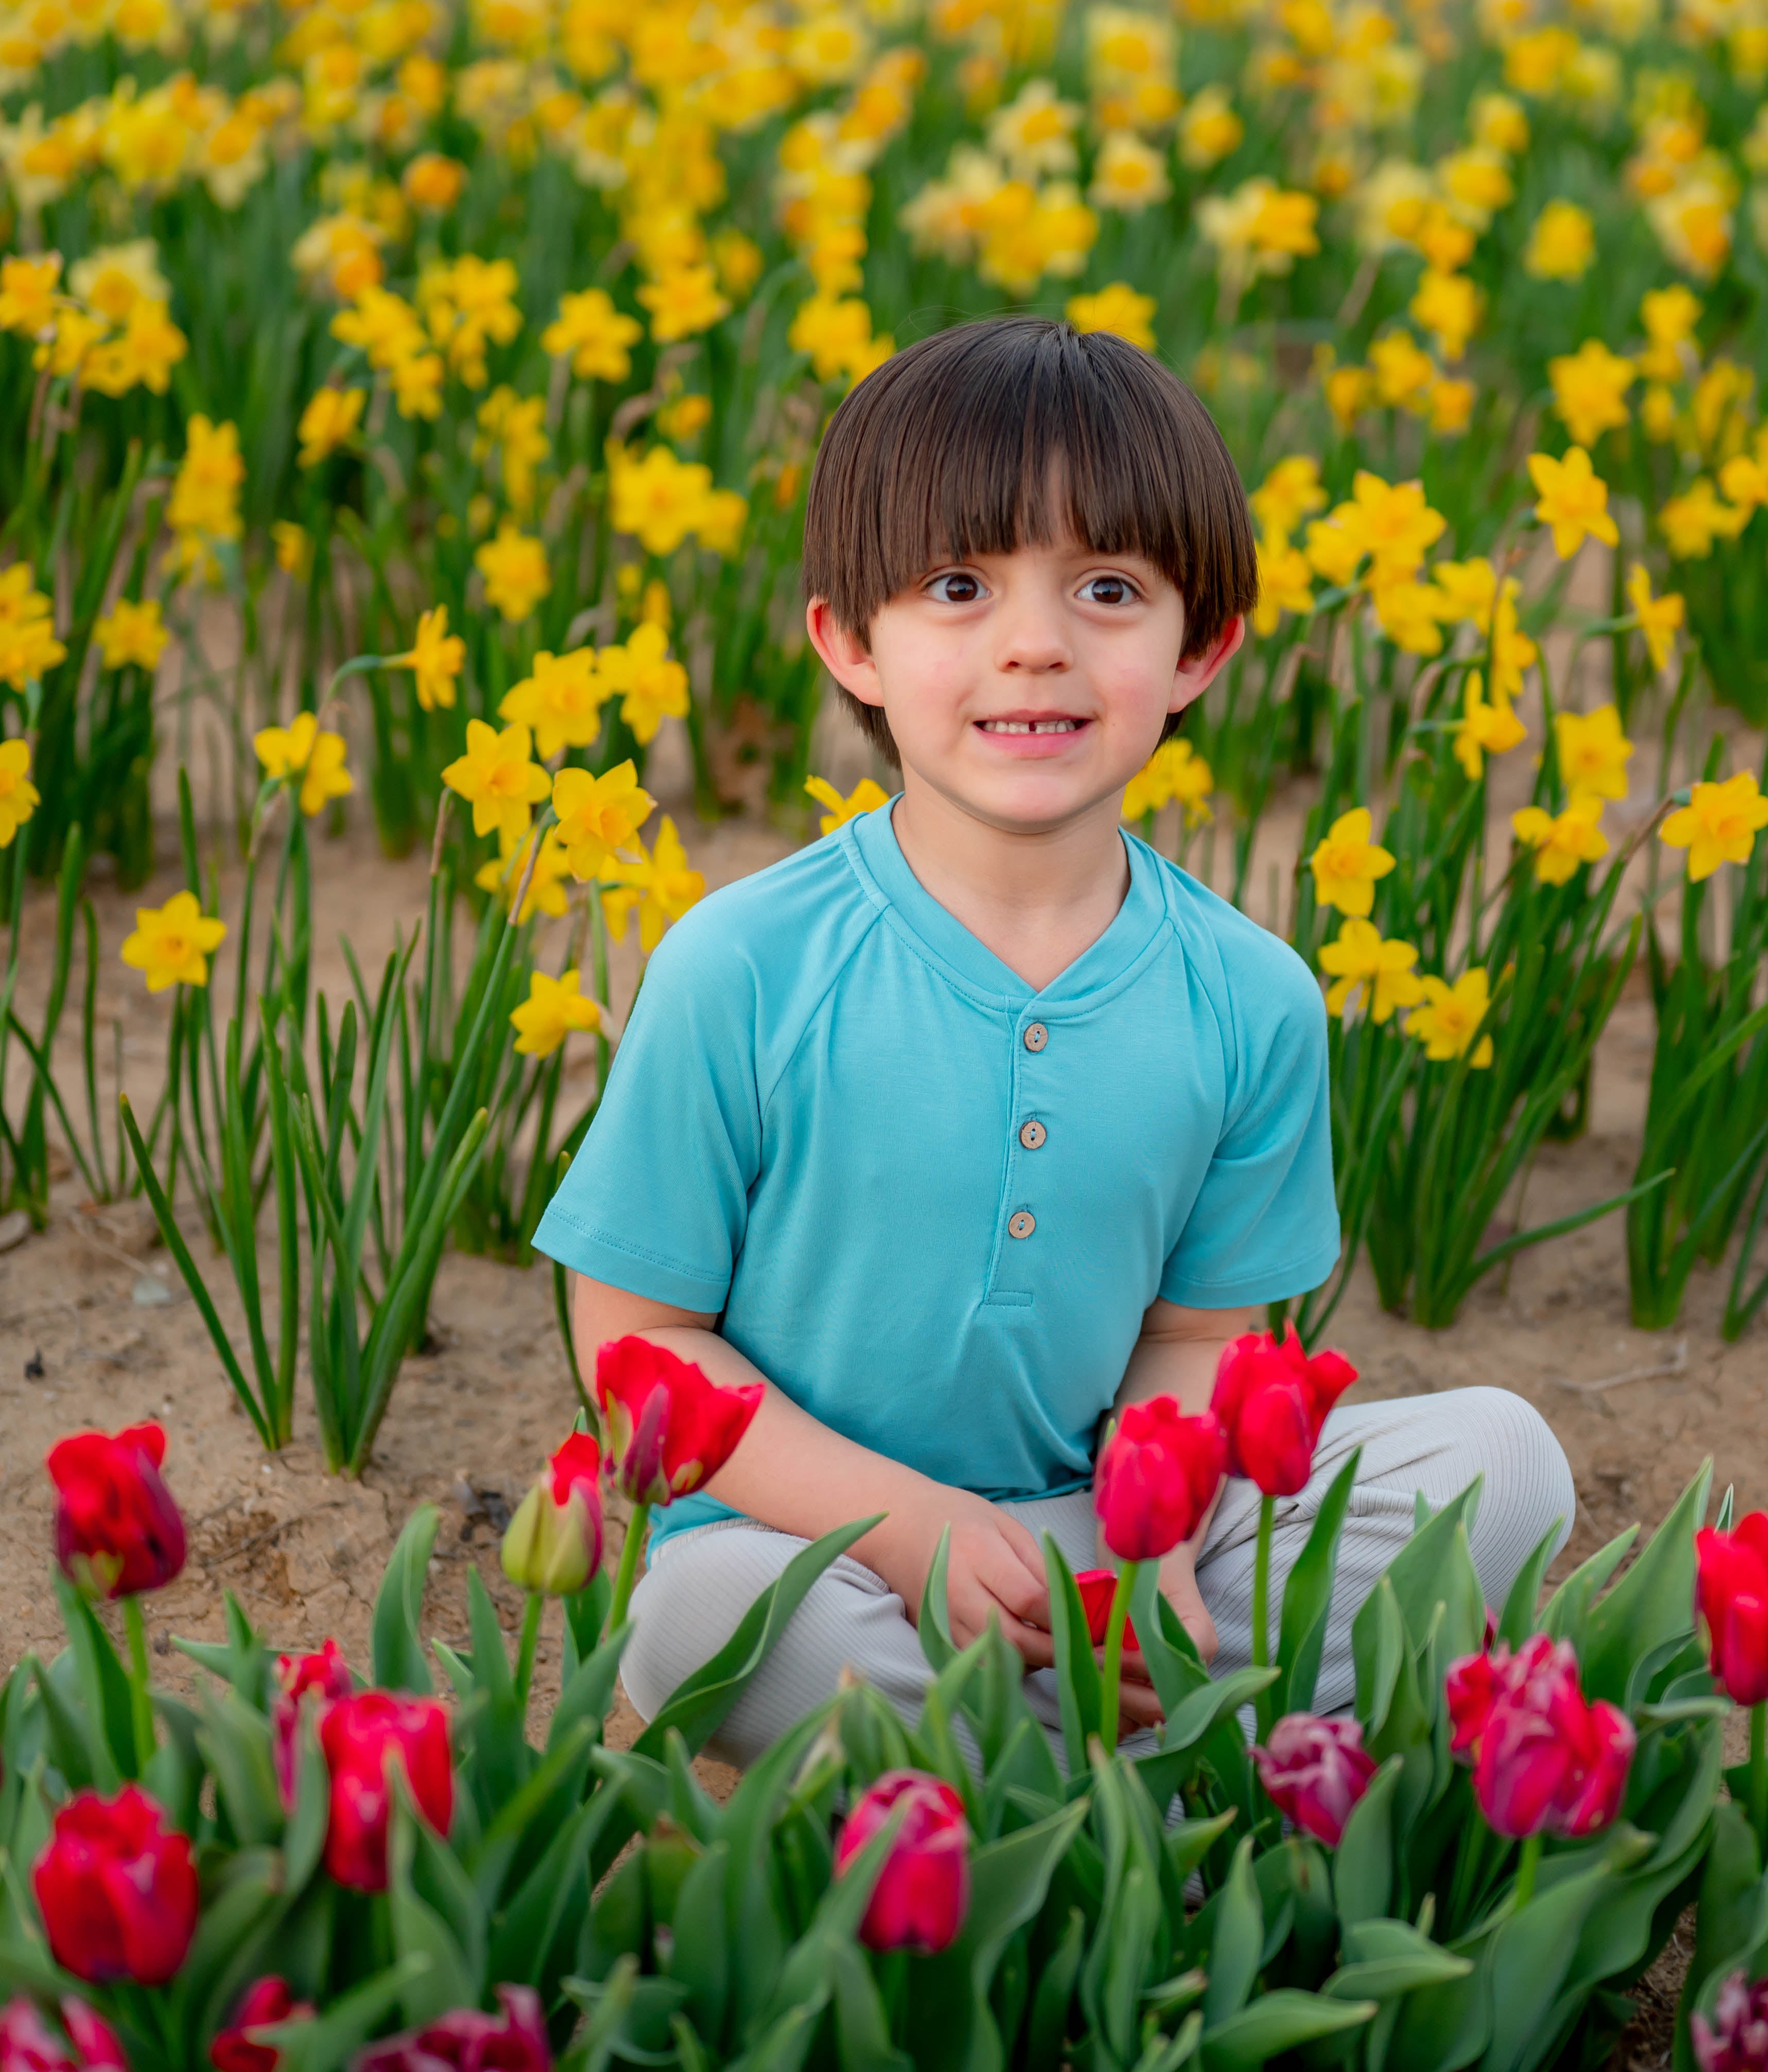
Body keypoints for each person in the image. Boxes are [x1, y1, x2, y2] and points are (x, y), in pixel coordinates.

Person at [532, 316, 1574, 1768]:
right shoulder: (747, 965)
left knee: (1508, 1466)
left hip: (1108, 1530)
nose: (1037, 643)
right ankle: (1164, 1773)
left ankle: (1051, 1758)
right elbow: (637, 1342)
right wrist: (909, 1536)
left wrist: (1154, 1543)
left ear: (1200, 648)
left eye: (1106, 588)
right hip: (814, 1543)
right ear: (853, 645)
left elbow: (1203, 1341)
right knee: (694, 1622)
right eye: (961, 586)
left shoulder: (1252, 994)